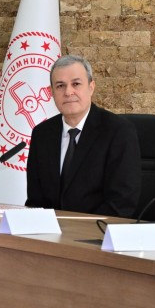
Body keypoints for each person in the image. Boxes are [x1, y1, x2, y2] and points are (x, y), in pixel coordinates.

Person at [24, 54, 141, 218]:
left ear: (91, 87)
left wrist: (77, 228)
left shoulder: (118, 131)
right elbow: (35, 201)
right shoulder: (41, 134)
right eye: (60, 86)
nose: (68, 92)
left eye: (76, 84)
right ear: (51, 92)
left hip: (97, 230)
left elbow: (122, 203)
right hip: (50, 230)